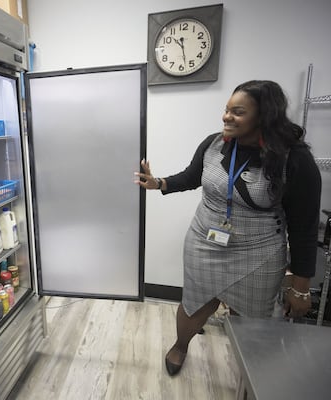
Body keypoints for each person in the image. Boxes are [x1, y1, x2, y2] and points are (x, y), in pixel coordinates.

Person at [134, 80, 321, 376]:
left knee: (252, 322)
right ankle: (182, 345)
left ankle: (249, 373)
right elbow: (193, 176)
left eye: (238, 112)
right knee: (195, 303)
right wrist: (160, 184)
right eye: (226, 110)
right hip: (204, 241)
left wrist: (300, 289)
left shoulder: (295, 159)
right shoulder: (215, 144)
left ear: (264, 116)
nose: (226, 117)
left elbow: (304, 229)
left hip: (259, 254)